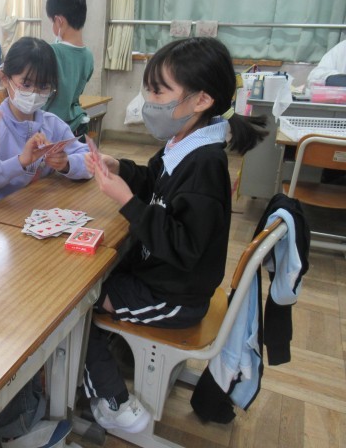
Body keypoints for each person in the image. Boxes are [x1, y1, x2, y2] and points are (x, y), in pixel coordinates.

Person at [82, 37, 267, 434]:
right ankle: (117, 355)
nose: (148, 101)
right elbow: (154, 181)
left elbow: (183, 247)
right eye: (148, 89)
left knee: (77, 308)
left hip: (174, 297)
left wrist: (126, 201)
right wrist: (121, 168)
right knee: (91, 279)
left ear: (201, 100)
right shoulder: (183, 142)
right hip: (161, 279)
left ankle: (112, 400)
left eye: (159, 91)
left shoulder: (206, 166)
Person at [0, 36, 91, 207]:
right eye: (26, 84)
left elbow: (89, 160)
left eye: (43, 87)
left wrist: (67, 164)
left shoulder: (53, 125)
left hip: (40, 208)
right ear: (6, 79)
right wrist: (19, 162)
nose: (35, 93)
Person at [43, 0, 94, 140]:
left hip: (52, 131)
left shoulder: (49, 52)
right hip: (77, 126)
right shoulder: (88, 56)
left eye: (52, 22)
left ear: (59, 21)